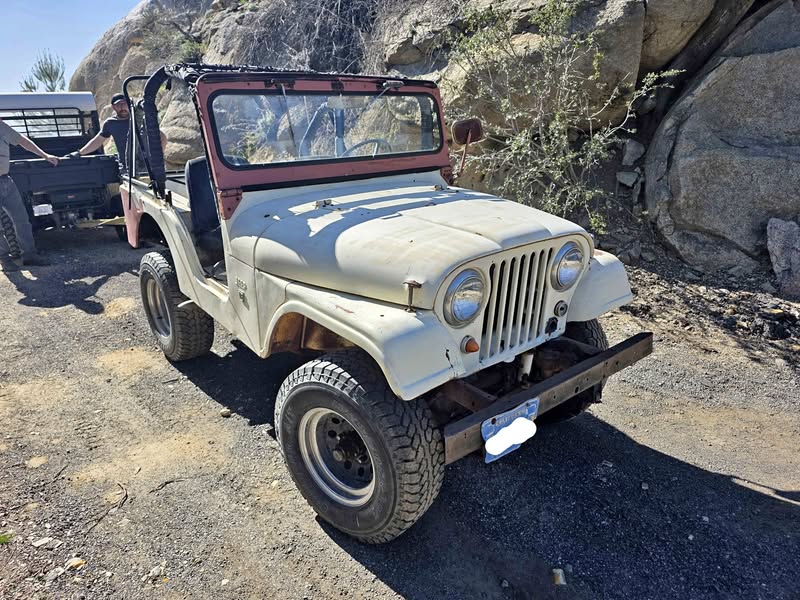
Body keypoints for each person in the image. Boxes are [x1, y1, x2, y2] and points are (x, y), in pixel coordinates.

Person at [0, 118, 58, 266]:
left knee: (21, 220)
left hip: (6, 181)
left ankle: (29, 255)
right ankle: (5, 260)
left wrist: (45, 155)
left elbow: (23, 141)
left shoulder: (2, 127)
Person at [68, 93, 166, 171]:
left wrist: (158, 156)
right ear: (113, 107)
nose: (123, 108)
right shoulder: (110, 123)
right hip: (127, 168)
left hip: (148, 166)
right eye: (119, 105)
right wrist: (80, 153)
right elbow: (97, 141)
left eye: (125, 104)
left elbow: (161, 136)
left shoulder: (140, 119)